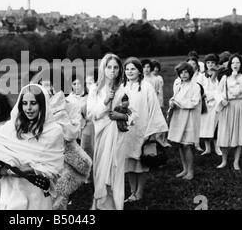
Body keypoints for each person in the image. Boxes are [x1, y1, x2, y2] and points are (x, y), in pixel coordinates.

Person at [0, 84, 64, 210]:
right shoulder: (12, 128)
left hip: (37, 195)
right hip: (11, 193)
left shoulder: (54, 131)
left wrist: (20, 169)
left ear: (42, 104)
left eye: (33, 103)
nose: (28, 108)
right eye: (24, 103)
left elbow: (53, 169)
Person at [30, 68, 92, 210]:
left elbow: (71, 135)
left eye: (52, 84)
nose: (48, 88)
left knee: (59, 200)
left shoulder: (71, 106)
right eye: (44, 84)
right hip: (40, 160)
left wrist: (58, 110)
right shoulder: (34, 107)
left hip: (64, 160)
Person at [87, 53, 136, 210]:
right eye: (109, 67)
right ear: (103, 68)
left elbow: (134, 115)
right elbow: (90, 114)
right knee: (102, 170)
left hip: (118, 136)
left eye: (116, 67)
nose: (112, 71)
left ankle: (116, 205)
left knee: (115, 170)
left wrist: (121, 115)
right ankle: (101, 205)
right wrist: (106, 100)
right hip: (101, 136)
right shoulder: (95, 89)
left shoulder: (123, 89)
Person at [122, 57, 168, 202]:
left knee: (141, 163)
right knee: (128, 163)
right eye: (127, 69)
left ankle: (139, 192)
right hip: (126, 132)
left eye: (133, 69)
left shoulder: (146, 87)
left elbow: (154, 109)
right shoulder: (122, 87)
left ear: (139, 70)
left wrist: (152, 132)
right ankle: (132, 191)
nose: (130, 72)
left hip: (143, 130)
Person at [167, 62, 202, 180]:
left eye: (186, 72)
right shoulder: (179, 86)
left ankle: (191, 171)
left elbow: (194, 102)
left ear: (190, 73)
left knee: (187, 145)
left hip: (189, 118)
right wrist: (172, 102)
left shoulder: (195, 86)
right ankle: (185, 168)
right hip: (179, 118)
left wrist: (179, 103)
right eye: (181, 73)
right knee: (180, 144)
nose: (184, 74)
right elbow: (174, 98)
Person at [215, 54, 242, 170]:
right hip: (227, 107)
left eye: (238, 62)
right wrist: (222, 100)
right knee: (225, 133)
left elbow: (238, 92)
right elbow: (218, 92)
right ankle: (224, 160)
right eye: (233, 63)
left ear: (241, 64)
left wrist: (235, 77)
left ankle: (236, 162)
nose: (235, 65)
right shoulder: (225, 78)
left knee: (238, 133)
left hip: (239, 107)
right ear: (230, 64)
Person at [199, 54, 222, 156]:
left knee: (216, 126)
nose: (210, 65)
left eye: (212, 63)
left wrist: (213, 96)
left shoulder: (219, 75)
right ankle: (207, 148)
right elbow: (199, 88)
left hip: (216, 103)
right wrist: (204, 96)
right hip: (205, 103)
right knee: (205, 126)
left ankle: (217, 148)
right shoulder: (201, 76)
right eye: (208, 63)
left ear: (216, 64)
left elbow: (220, 89)